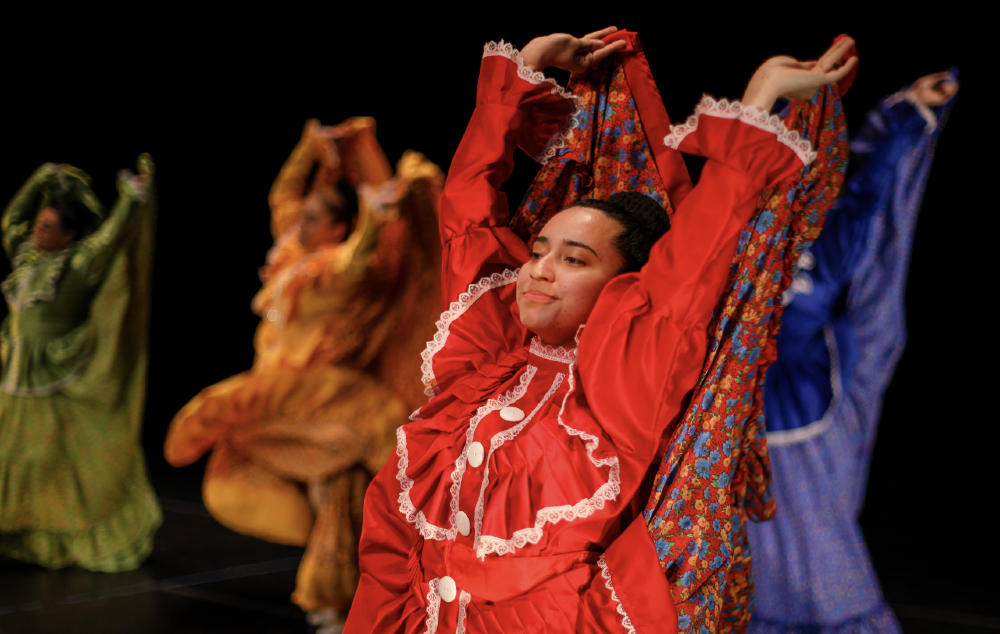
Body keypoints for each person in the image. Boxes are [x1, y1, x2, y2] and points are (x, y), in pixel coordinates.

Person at [343, 27, 856, 634]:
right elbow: (468, 213)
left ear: (623, 290)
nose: (539, 269)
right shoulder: (487, 348)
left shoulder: (621, 379)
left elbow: (692, 262)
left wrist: (761, 95)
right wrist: (525, 68)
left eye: (575, 258)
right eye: (540, 249)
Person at [163, 118, 442, 627]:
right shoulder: (292, 252)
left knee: (334, 492)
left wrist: (376, 220)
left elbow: (359, 257)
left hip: (327, 402)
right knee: (293, 488)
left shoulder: (333, 271)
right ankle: (349, 595)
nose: (301, 223)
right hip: (277, 397)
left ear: (337, 228)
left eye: (314, 219)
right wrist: (308, 148)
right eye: (305, 217)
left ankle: (336, 601)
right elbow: (283, 196)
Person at [746, 71, 958, 634]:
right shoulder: (726, 236)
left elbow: (871, 212)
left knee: (816, 547)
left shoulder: (821, 245)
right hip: (732, 422)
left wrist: (908, 117)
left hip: (807, 396)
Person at [0, 156, 161, 572]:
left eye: (49, 227)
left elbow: (110, 238)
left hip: (54, 377)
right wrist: (40, 179)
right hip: (14, 375)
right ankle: (14, 532)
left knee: (52, 465)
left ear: (69, 235)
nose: (38, 230)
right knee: (12, 461)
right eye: (39, 224)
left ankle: (57, 539)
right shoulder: (27, 257)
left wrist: (130, 199)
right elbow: (12, 219)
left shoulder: (79, 265)